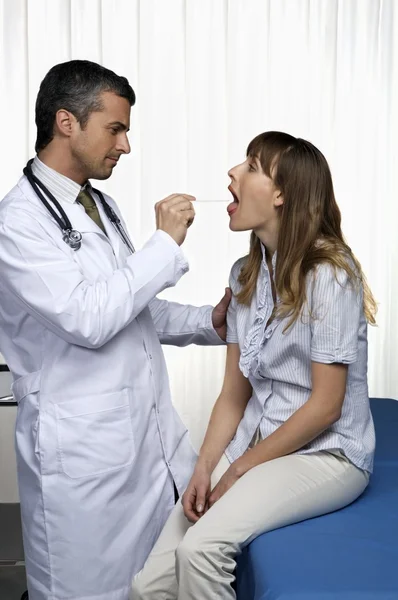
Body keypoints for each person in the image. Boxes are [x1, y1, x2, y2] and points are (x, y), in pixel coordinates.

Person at [0, 60, 231, 600]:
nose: (125, 145)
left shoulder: (98, 205)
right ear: (67, 122)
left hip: (141, 450)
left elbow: (131, 305)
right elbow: (90, 319)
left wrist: (208, 322)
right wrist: (165, 244)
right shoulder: (17, 223)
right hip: (82, 459)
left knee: (149, 588)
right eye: (115, 128)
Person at [131, 131, 377, 600]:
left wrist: (238, 471)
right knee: (147, 587)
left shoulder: (330, 274)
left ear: (281, 194)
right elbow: (233, 394)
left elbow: (326, 407)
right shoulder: (244, 276)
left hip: (326, 453)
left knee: (200, 552)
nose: (232, 174)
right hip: (257, 441)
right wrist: (204, 468)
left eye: (251, 166)